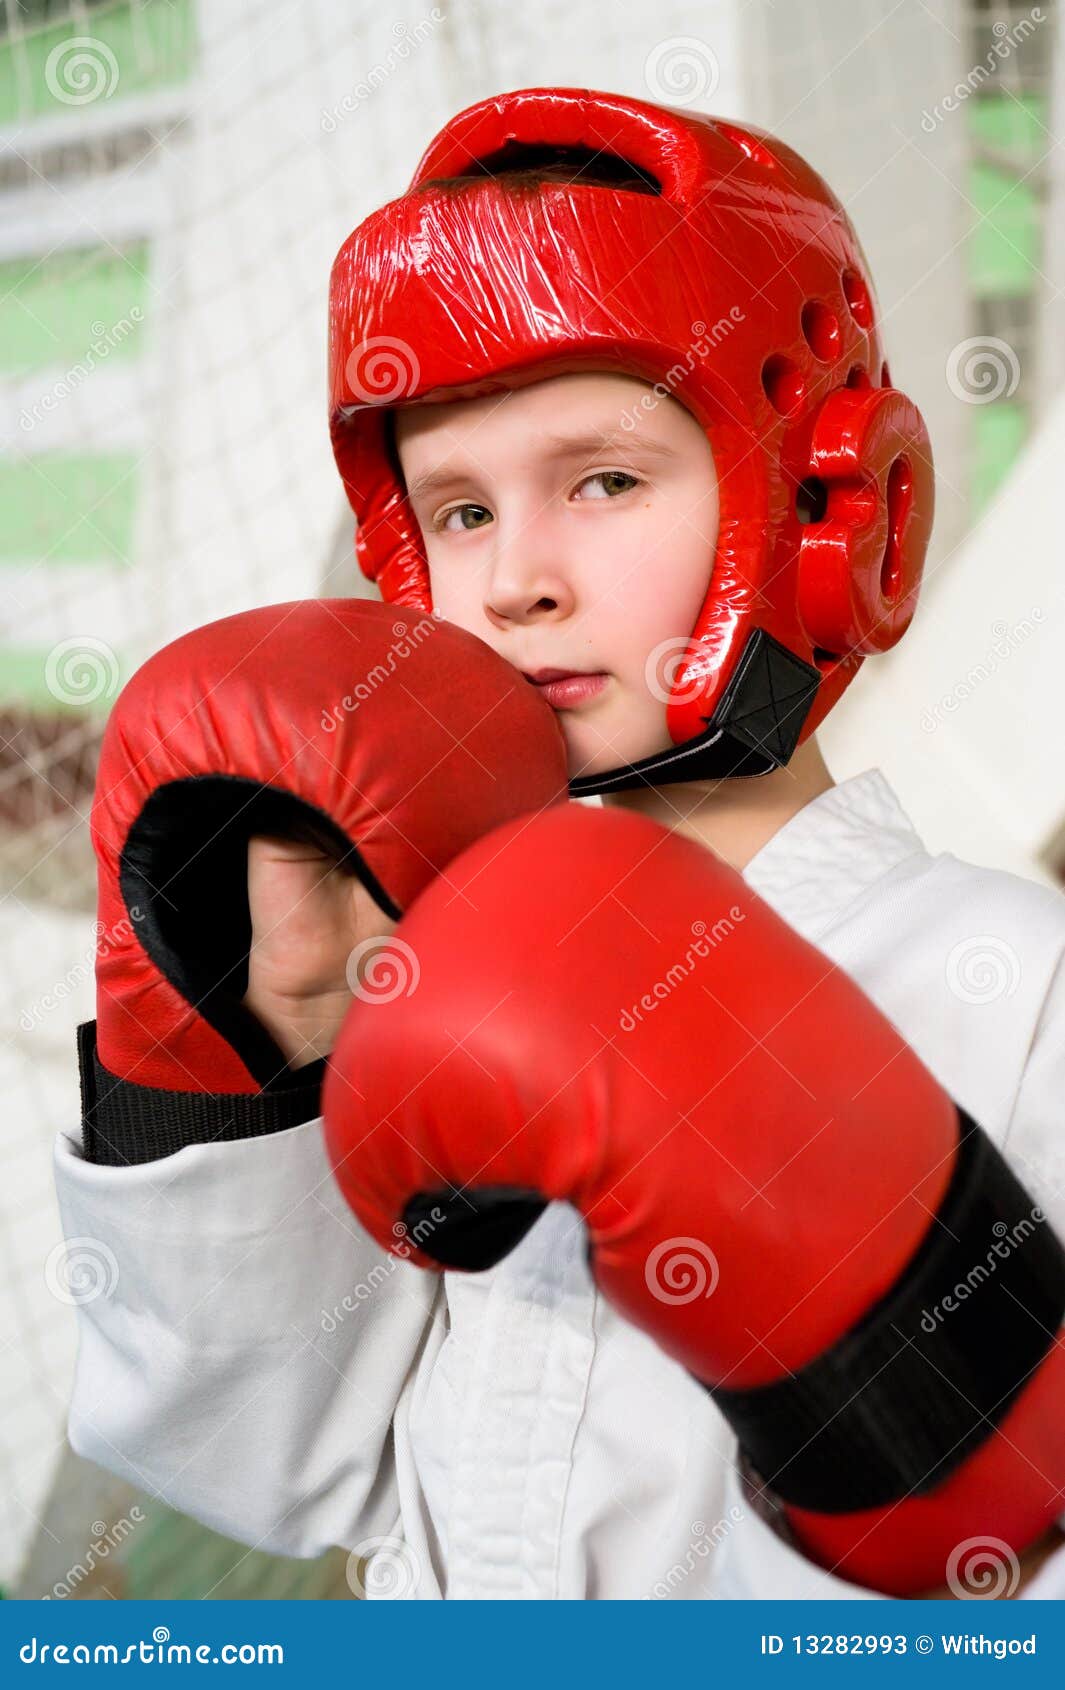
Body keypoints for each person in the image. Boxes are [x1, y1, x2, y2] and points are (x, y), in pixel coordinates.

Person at [54, 87, 1065, 1600]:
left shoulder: (1013, 981)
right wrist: (259, 1021)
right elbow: (275, 1467)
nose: (514, 576)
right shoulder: (440, 968)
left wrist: (896, 1338)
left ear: (827, 508)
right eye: (456, 509)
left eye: (602, 479)